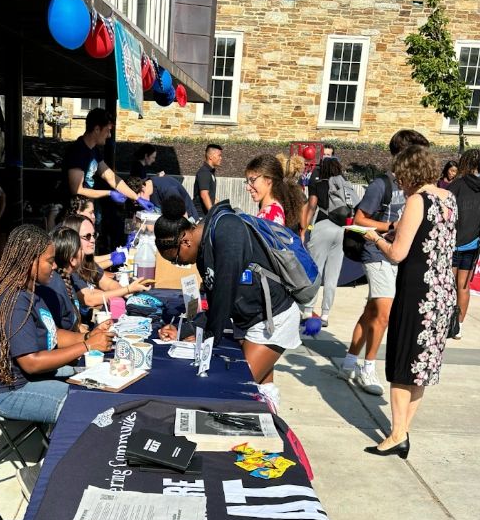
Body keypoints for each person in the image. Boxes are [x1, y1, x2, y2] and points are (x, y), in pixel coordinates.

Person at [153, 195, 301, 408]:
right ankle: (271, 423)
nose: (179, 264)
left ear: (185, 241)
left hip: (273, 320)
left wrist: (205, 339)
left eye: (175, 259)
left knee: (236, 389)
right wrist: (185, 328)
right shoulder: (205, 245)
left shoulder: (228, 230)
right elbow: (215, 302)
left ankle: (271, 429)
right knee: (261, 387)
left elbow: (224, 291)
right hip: (250, 320)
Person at [362, 146, 457, 458]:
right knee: (422, 366)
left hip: (419, 292)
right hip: (443, 291)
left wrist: (375, 238)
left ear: (409, 173)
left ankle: (396, 435)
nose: (399, 182)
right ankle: (402, 432)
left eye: (401, 175)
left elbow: (398, 254)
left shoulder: (418, 200)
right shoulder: (449, 198)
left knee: (404, 364)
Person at [0, 225, 112, 425]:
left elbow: (53, 334)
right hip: (9, 391)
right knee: (86, 405)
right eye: (50, 261)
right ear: (30, 262)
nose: (54, 266)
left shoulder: (31, 292)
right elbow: (32, 363)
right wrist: (87, 346)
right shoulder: (15, 303)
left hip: (25, 381)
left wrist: (88, 337)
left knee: (97, 384)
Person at [339, 129, 431, 396]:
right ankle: (369, 367)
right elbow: (359, 219)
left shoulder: (416, 188)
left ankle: (348, 362)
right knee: (384, 314)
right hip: (377, 252)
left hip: (398, 254)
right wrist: (390, 225)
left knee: (372, 311)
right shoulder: (382, 184)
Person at [447, 148, 480, 338]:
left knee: (448, 284)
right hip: (474, 243)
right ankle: (459, 326)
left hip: (453, 242)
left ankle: (445, 321)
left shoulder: (457, 184)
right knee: (463, 286)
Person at [61, 213, 153, 305]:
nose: (93, 240)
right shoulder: (70, 266)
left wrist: (128, 294)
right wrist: (128, 289)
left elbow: (108, 284)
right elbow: (89, 299)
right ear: (73, 238)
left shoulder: (87, 261)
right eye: (87, 236)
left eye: (94, 235)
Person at [59, 108, 138, 211]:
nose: (109, 135)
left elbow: (110, 177)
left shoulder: (94, 150)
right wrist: (109, 193)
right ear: (97, 129)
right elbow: (77, 190)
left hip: (87, 207)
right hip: (73, 211)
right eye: (108, 130)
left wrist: (137, 198)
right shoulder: (77, 151)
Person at [301, 156, 348, 327]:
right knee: (333, 274)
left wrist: (304, 228)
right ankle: (326, 314)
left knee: (316, 269)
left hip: (322, 225)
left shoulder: (319, 183)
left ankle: (307, 310)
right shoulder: (343, 184)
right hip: (341, 229)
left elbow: (312, 205)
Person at [36, 227, 88, 333]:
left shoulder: (66, 278)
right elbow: (56, 334)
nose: (84, 253)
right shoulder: (54, 287)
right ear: (72, 260)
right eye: (81, 249)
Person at [127, 174, 200, 222]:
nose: (139, 204)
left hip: (188, 219)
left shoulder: (167, 189)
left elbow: (183, 216)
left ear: (143, 188)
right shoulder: (143, 184)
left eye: (138, 202)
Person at [244, 154, 287, 224]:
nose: (247, 188)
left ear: (268, 179)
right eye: (247, 182)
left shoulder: (270, 215)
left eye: (252, 180)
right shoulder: (270, 212)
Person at [193, 144, 222, 214]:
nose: (221, 158)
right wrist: (212, 214)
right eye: (219, 155)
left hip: (205, 215)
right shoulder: (204, 172)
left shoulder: (210, 172)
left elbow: (211, 196)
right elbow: (204, 194)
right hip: (200, 216)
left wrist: (223, 208)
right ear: (211, 157)